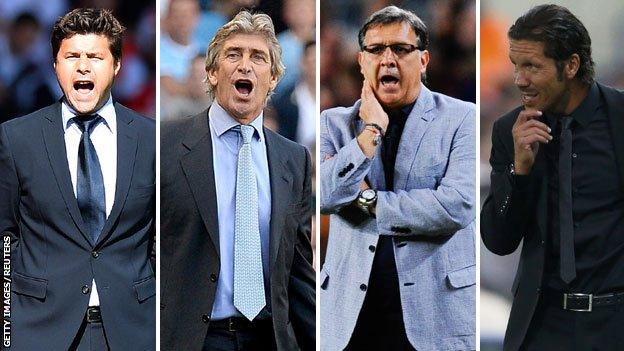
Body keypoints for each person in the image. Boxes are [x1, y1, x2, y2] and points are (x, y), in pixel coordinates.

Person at [319, 6, 475, 351]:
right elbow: (324, 195)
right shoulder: (333, 124)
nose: (387, 59)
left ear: (423, 60)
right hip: (351, 322)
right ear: (361, 61)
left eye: (401, 49)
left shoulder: (462, 118)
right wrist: (370, 132)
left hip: (436, 318)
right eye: (376, 50)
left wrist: (369, 202)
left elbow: (457, 206)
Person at [0, 8, 155, 351]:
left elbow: (161, 239)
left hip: (132, 332)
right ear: (55, 65)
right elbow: (4, 238)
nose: (83, 66)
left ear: (116, 65)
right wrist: (7, 327)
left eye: (95, 57)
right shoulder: (16, 139)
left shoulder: (150, 140)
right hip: (38, 332)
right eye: (71, 56)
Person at [160, 10, 315, 351]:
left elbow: (299, 271)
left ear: (273, 79)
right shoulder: (165, 145)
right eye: (234, 55)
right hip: (194, 340)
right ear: (213, 73)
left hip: (267, 338)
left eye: (258, 57)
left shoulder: (294, 159)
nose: (246, 65)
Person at [481, 4, 624, 351]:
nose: (519, 79)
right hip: (543, 326)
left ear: (571, 66)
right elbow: (498, 240)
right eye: (516, 66)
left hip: (614, 323)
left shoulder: (620, 119)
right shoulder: (509, 131)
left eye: (532, 66)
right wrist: (520, 169)